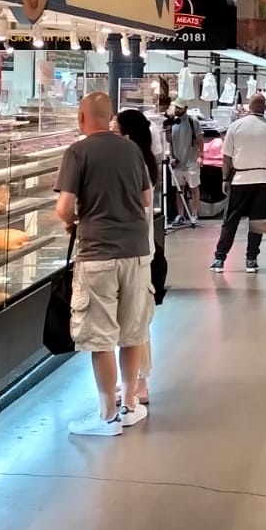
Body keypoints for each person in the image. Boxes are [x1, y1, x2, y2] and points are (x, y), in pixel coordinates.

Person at [54, 92, 153, 436]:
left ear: (82, 117)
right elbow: (146, 199)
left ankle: (107, 415)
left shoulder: (77, 151)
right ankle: (129, 405)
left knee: (100, 337)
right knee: (133, 332)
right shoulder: (131, 148)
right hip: (137, 252)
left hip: (97, 254)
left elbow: (64, 208)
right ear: (109, 117)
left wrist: (74, 221)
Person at [115, 108, 161, 409]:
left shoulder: (134, 163)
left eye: (115, 130)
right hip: (139, 247)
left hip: (134, 249)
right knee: (134, 319)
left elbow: (136, 203)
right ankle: (132, 382)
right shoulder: (147, 161)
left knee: (134, 320)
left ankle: (137, 383)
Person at [212, 93, 266, 274]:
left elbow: (226, 158)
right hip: (263, 180)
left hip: (240, 180)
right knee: (257, 222)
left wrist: (225, 179)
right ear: (265, 108)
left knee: (231, 221)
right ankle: (251, 260)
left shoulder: (235, 126)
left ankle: (219, 259)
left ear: (249, 107)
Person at [169, 101, 203, 224]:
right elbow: (170, 141)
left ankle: (194, 214)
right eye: (176, 107)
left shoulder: (193, 122)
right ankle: (180, 214)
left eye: (180, 107)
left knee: (194, 188)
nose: (177, 109)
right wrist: (172, 156)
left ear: (185, 108)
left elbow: (200, 139)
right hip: (178, 162)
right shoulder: (173, 122)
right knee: (179, 189)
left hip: (191, 161)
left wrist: (201, 155)